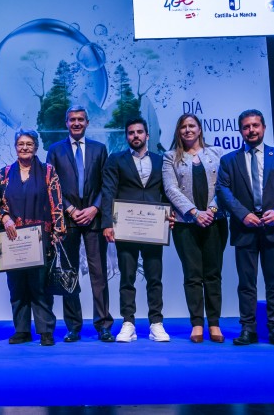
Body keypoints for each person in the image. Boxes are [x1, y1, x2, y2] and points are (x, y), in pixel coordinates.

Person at [216, 109, 274, 347]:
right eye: (246, 127)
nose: (251, 130)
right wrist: (244, 215)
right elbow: (223, 191)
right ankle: (248, 329)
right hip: (245, 230)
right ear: (240, 131)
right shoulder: (229, 160)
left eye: (255, 125)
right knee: (247, 283)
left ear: (263, 128)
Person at [46, 105, 114, 343]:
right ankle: (73, 327)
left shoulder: (99, 149)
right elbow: (51, 185)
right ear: (66, 123)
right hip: (67, 220)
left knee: (99, 274)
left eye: (80, 119)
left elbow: (107, 184)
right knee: (69, 275)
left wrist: (94, 208)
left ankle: (103, 325)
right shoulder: (55, 150)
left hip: (94, 219)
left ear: (87, 122)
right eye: (72, 119)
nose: (76, 123)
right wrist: (71, 209)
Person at [101, 118, 172, 343]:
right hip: (126, 228)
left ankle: (156, 323)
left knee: (154, 277)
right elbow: (108, 191)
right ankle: (128, 323)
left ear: (147, 135)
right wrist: (106, 223)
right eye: (131, 133)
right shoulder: (116, 160)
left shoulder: (162, 161)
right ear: (127, 137)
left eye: (139, 132)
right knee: (127, 278)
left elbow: (168, 192)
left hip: (154, 228)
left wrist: (171, 215)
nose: (135, 136)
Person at [162, 113, 228, 343]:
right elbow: (171, 189)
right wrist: (194, 213)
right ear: (178, 131)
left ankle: (215, 324)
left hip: (215, 221)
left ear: (200, 129)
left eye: (192, 126)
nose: (188, 130)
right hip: (185, 225)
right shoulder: (170, 157)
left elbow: (224, 186)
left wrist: (210, 210)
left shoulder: (217, 153)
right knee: (192, 275)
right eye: (183, 127)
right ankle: (197, 324)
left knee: (212, 274)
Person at [0, 129, 64, 346]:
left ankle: (45, 331)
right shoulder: (4, 173)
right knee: (17, 287)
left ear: (36, 147)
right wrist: (4, 217)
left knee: (40, 287)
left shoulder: (47, 171)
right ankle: (22, 330)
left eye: (29, 144)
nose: (24, 147)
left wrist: (58, 231)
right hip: (12, 238)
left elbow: (57, 202)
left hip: (40, 238)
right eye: (21, 144)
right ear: (15, 147)